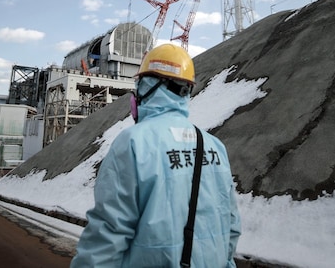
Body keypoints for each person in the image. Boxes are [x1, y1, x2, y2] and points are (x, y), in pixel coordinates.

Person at [71, 43, 241, 267]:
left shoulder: (133, 143)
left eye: (139, 85)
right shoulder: (213, 145)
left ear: (149, 86)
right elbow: (231, 225)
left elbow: (108, 234)